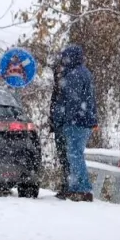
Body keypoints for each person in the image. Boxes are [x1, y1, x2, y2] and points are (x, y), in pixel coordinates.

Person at [52, 44, 98, 202]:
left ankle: (83, 189)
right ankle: (74, 188)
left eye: (65, 57)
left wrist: (62, 119)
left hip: (76, 121)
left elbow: (71, 100)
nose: (62, 60)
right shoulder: (83, 73)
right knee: (74, 154)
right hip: (83, 120)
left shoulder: (74, 75)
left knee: (74, 154)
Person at [49, 56, 71, 199]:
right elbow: (54, 106)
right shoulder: (58, 87)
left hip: (64, 125)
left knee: (67, 156)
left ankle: (69, 185)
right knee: (63, 157)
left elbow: (61, 107)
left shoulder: (66, 86)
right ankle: (66, 185)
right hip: (59, 125)